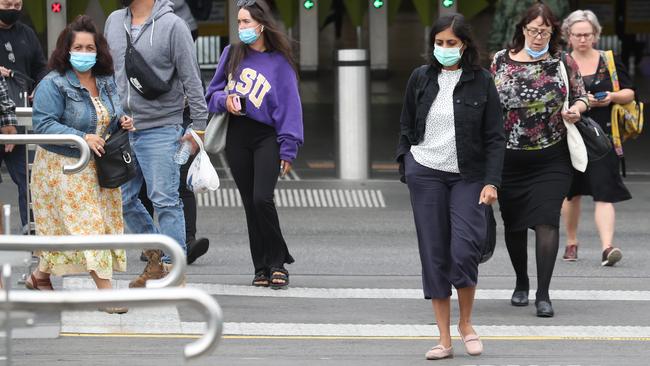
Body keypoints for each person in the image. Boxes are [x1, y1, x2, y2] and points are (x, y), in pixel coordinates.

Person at [396, 13, 504, 360]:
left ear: (465, 45)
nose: (444, 49)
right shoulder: (420, 78)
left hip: (468, 176)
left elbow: (495, 137)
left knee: (464, 250)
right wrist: (407, 164)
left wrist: (492, 181)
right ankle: (444, 338)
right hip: (425, 173)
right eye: (439, 43)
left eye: (451, 43)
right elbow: (406, 123)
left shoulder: (482, 81)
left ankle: (466, 323)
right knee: (434, 254)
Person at [28, 15, 134, 313]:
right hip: (65, 166)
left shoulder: (105, 80)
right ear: (66, 49)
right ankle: (106, 295)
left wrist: (121, 121)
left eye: (90, 47)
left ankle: (39, 277)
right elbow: (43, 125)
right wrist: (81, 137)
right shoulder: (53, 84)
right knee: (89, 228)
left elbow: (109, 115)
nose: (85, 53)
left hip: (99, 168)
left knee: (70, 230)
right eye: (79, 47)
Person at [491, 3, 589, 318]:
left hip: (552, 157)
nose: (537, 36)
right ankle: (521, 281)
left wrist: (577, 110)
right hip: (509, 159)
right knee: (515, 224)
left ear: (552, 32)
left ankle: (543, 294)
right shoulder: (500, 61)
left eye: (544, 31)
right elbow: (489, 106)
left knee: (547, 220)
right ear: (522, 30)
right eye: (533, 30)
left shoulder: (563, 61)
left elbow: (581, 95)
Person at [105, 0, 208, 287]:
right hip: (123, 130)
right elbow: (108, 76)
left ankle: (174, 271)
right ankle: (155, 261)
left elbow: (192, 78)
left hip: (162, 128)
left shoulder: (174, 25)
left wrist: (199, 128)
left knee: (165, 201)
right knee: (123, 200)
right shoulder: (113, 21)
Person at [205, 0, 303, 290]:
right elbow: (212, 94)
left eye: (246, 22)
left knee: (263, 198)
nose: (242, 28)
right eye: (239, 22)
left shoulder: (280, 62)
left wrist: (288, 147)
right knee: (250, 204)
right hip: (237, 135)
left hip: (266, 137)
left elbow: (290, 108)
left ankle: (278, 263)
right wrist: (226, 101)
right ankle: (261, 266)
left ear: (261, 24)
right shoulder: (232, 54)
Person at [136, 0, 209, 265]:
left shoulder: (176, 31)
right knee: (141, 189)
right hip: (141, 124)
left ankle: (184, 242)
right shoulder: (122, 27)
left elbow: (194, 84)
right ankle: (156, 243)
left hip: (176, 124)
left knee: (179, 183)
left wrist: (198, 129)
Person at [560, 10, 633, 266]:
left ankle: (607, 247)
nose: (582, 39)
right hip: (570, 135)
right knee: (572, 193)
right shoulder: (561, 61)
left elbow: (629, 93)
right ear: (568, 36)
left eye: (587, 35)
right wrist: (578, 104)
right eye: (577, 35)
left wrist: (611, 97)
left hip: (604, 138)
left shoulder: (608, 60)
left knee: (604, 193)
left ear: (596, 35)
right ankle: (571, 242)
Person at [0, 0, 48, 233]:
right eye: (7, 3)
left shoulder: (26, 34)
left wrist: (39, 87)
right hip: (3, 119)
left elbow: (41, 67)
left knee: (28, 181)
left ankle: (31, 232)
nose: (12, 9)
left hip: (21, 119)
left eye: (17, 5)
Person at [488, 0, 570, 56]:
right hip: (512, 50)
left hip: (549, 52)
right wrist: (493, 50)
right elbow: (498, 26)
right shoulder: (509, 2)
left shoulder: (559, 2)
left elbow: (564, 28)